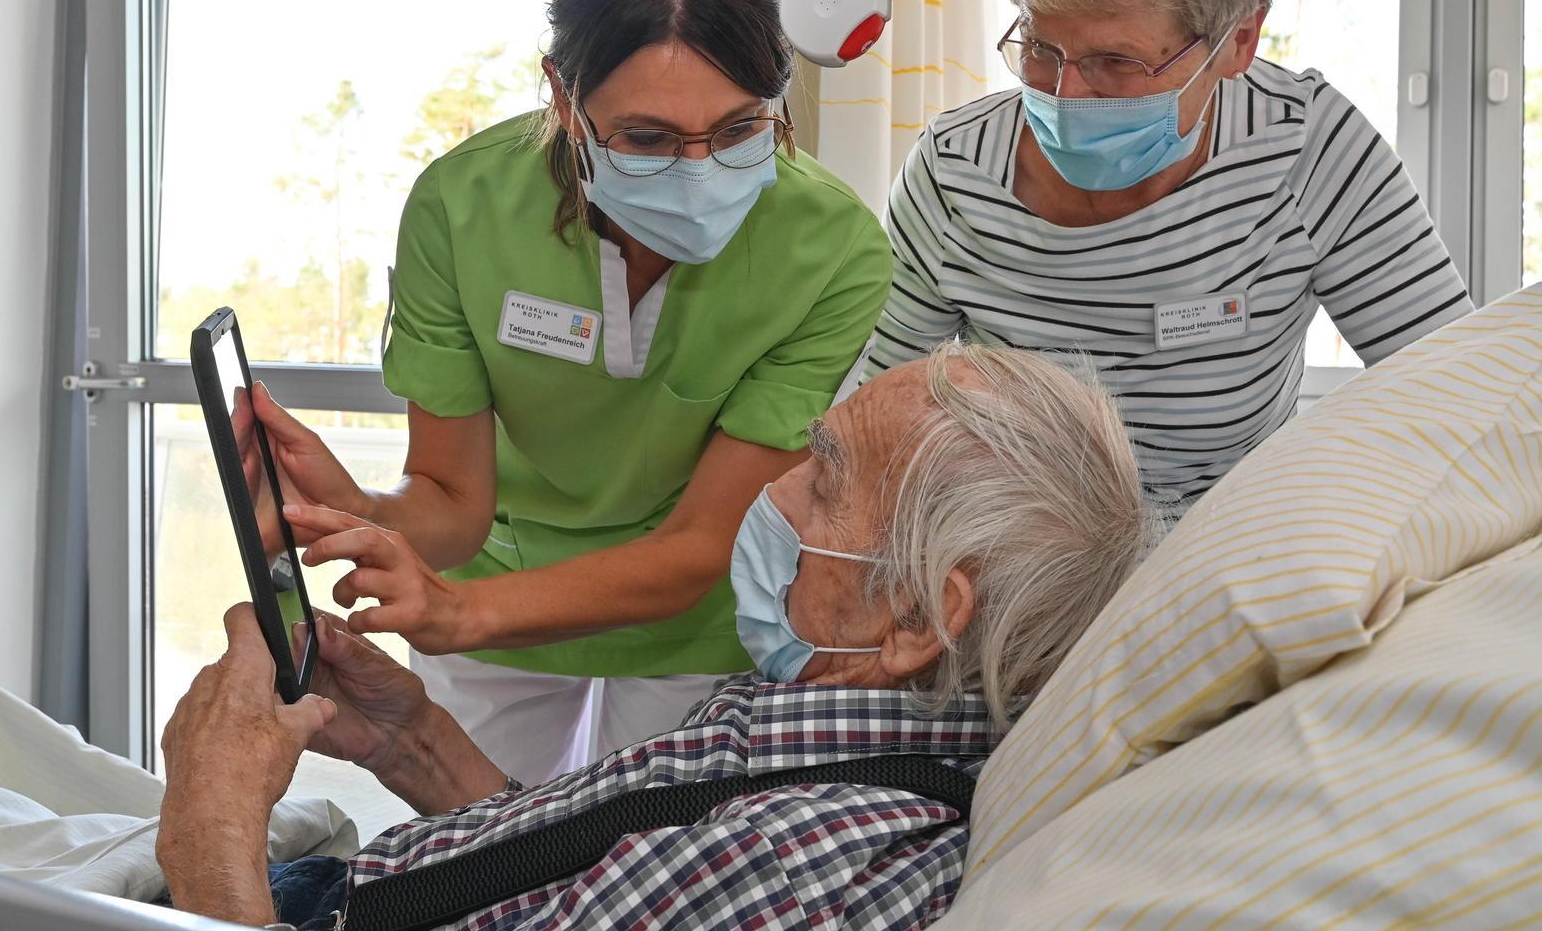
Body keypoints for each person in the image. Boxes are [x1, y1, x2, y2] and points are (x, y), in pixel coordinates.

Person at [157, 343, 1152, 929]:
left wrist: (213, 819)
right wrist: (409, 738)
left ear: (913, 619)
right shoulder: (825, 744)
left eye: (822, 477)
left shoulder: (789, 869)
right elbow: (578, 874)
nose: (768, 494)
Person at [243, 0, 891, 785]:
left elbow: (702, 545)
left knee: (659, 889)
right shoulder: (461, 211)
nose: (699, 176)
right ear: (563, 93)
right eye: (648, 139)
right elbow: (451, 503)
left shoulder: (834, 251)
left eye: (742, 128)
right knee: (482, 874)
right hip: (491, 582)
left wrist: (454, 611)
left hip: (693, 617)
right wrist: (357, 512)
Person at [865, 0, 1473, 513]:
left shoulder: (1305, 149)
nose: (1065, 95)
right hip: (1015, 574)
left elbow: (1455, 399)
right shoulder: (956, 176)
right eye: (1040, 47)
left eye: (1116, 62)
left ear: (1237, 41)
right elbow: (868, 424)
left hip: (1223, 564)